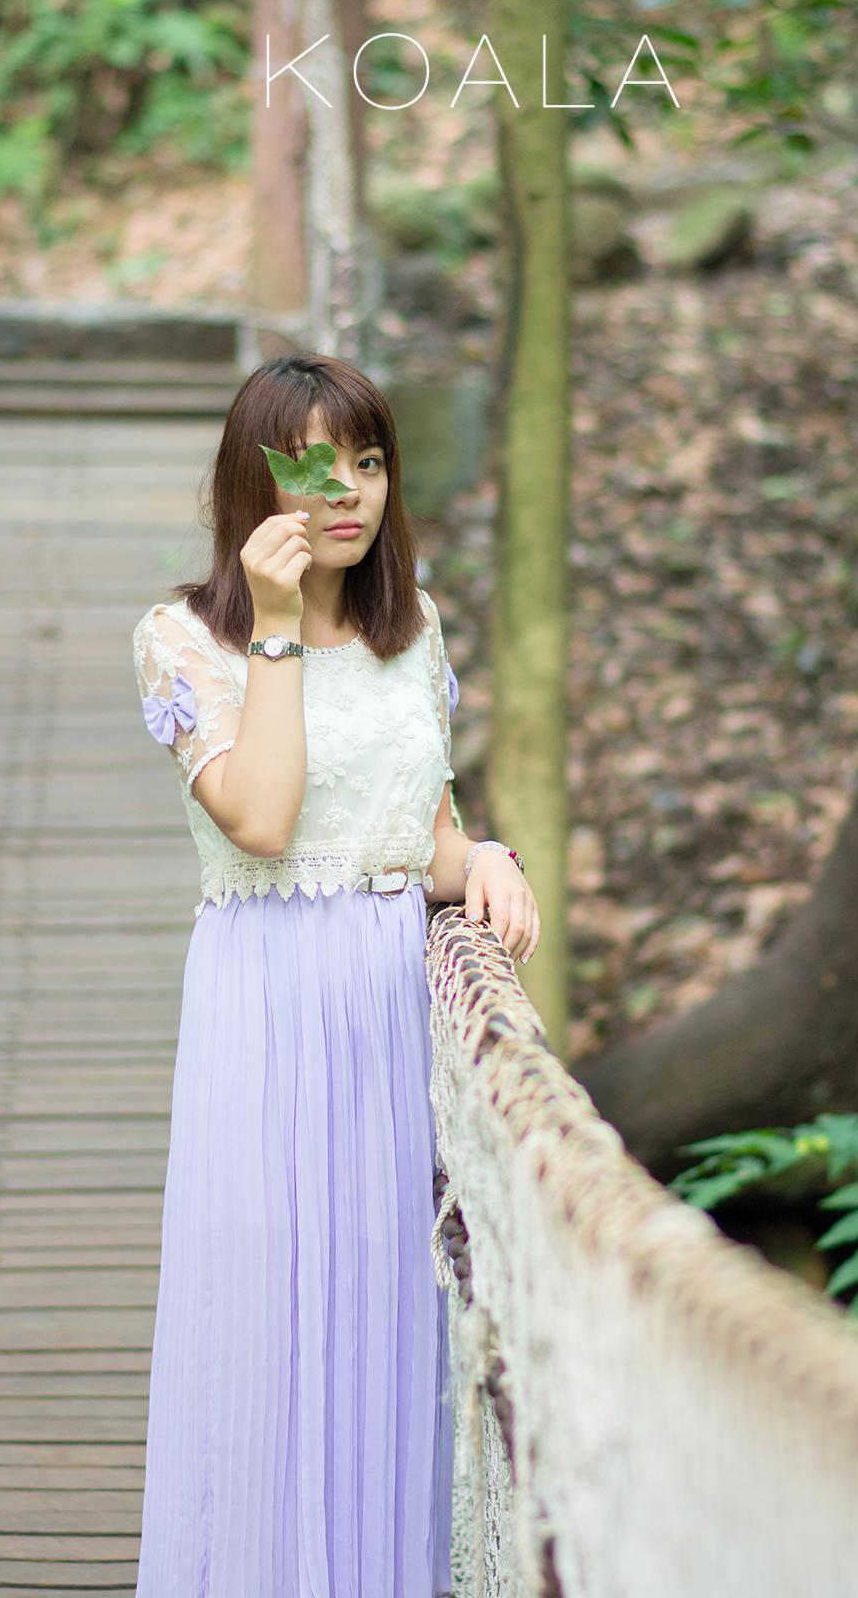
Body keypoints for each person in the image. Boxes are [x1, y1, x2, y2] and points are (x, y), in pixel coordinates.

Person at [130, 351, 540, 1595]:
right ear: (251, 484)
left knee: (387, 1314)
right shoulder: (181, 642)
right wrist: (272, 631)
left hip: (389, 1016)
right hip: (267, 1008)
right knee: (271, 1324)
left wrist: (487, 859)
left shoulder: (410, 635)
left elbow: (414, 834)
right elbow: (263, 822)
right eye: (312, 465)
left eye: (367, 461)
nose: (347, 490)